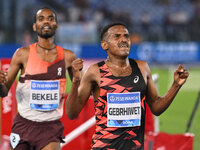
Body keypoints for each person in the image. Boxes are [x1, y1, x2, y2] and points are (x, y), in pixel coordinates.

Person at [66, 22, 189, 149]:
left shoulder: (142, 68)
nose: (123, 39)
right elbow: (72, 113)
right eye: (117, 36)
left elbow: (156, 108)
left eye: (126, 36)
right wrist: (75, 81)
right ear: (104, 45)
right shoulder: (95, 71)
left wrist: (176, 85)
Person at [0, 7, 76, 150]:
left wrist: (79, 82)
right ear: (35, 27)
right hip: (23, 125)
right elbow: (3, 92)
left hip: (50, 127)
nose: (46, 21)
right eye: (41, 19)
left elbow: (81, 95)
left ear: (56, 26)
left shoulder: (68, 57)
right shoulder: (22, 54)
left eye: (50, 18)